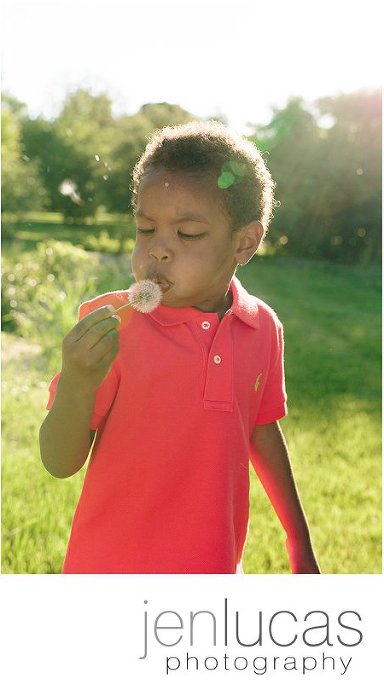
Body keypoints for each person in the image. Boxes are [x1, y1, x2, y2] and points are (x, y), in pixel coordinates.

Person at [39, 121, 320, 574]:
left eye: (187, 234)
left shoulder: (261, 327)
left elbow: (262, 429)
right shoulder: (116, 327)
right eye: (146, 229)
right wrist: (76, 383)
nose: (159, 250)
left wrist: (299, 542)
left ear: (244, 243)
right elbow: (58, 461)